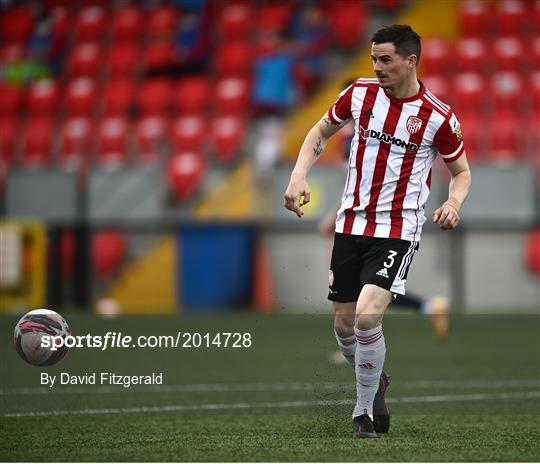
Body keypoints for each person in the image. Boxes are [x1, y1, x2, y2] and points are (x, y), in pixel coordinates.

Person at [284, 25, 471, 439]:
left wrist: (453, 203)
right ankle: (377, 378)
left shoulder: (439, 116)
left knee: (368, 317)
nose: (377, 67)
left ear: (410, 61)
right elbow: (318, 132)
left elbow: (461, 173)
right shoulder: (359, 94)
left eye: (385, 59)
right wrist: (299, 176)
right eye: (373, 59)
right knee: (344, 327)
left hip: (398, 229)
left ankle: (363, 412)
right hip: (351, 224)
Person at [319, 205, 450, 348]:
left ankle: (427, 306)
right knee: (371, 295)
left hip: (368, 238)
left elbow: (329, 223)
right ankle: (427, 306)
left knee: (371, 295)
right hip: (365, 238)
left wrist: (333, 219)